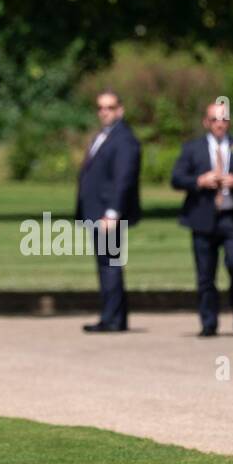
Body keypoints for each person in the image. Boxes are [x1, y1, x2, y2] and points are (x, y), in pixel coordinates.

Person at [170, 101, 233, 337]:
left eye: (223, 119)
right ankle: (208, 323)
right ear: (206, 122)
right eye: (214, 120)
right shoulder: (192, 149)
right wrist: (199, 181)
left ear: (229, 122)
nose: (219, 124)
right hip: (203, 217)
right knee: (205, 275)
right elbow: (177, 178)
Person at [75, 90, 141, 333]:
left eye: (110, 107)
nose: (104, 112)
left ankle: (112, 319)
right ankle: (113, 316)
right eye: (101, 108)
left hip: (108, 214)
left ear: (120, 110)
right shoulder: (103, 136)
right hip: (96, 211)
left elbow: (124, 178)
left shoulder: (124, 139)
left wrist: (113, 212)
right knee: (105, 264)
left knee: (110, 264)